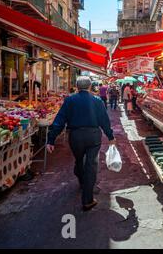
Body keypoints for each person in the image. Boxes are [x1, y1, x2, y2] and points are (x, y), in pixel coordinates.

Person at [46, 76, 115, 211]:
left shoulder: (70, 100)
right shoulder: (97, 101)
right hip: (93, 136)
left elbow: (60, 119)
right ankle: (87, 199)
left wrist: (51, 139)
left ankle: (81, 177)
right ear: (90, 87)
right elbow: (104, 121)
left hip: (76, 136)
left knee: (79, 160)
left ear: (77, 87)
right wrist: (110, 136)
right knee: (91, 164)